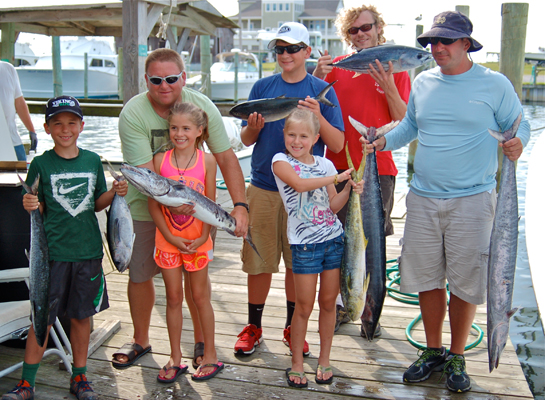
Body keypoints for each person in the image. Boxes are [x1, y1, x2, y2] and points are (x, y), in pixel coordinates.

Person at [362, 11, 530, 393]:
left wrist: (519, 142)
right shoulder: (424, 83)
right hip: (421, 198)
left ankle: (457, 354)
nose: (436, 48)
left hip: (474, 200)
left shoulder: (495, 84)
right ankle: (433, 350)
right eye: (432, 43)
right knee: (426, 278)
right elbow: (411, 127)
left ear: (466, 44)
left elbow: (522, 123)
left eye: (445, 41)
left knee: (466, 282)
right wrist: (382, 141)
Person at [113, 49, 248, 370]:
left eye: (172, 78)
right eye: (156, 80)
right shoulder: (133, 114)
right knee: (141, 275)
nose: (164, 85)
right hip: (148, 211)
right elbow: (149, 181)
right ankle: (141, 339)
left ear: (184, 77)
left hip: (197, 213)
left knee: (196, 284)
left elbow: (226, 158)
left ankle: (201, 344)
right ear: (146, 80)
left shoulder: (202, 109)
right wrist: (170, 231)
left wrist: (240, 206)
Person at [2, 95, 128, 400]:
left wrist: (114, 194)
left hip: (88, 254)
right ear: (46, 128)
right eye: (57, 123)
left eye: (71, 122)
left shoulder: (93, 160)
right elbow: (38, 207)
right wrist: (30, 203)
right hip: (51, 257)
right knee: (41, 317)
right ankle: (27, 383)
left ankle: (80, 376)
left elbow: (95, 204)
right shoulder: (41, 164)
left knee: (82, 317)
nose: (65, 128)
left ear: (82, 126)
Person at [234, 22, 344, 356]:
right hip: (265, 187)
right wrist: (252, 128)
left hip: (307, 195)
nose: (285, 54)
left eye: (293, 48)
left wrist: (317, 115)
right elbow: (245, 139)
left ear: (307, 52)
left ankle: (290, 326)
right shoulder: (262, 87)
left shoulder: (321, 89)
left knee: (298, 265)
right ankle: (254, 325)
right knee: (259, 260)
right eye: (279, 49)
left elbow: (337, 143)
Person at [313, 4, 411, 337]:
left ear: (378, 28)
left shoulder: (397, 67)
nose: (361, 34)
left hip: (378, 167)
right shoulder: (337, 68)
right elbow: (309, 108)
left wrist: (390, 85)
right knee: (340, 240)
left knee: (372, 245)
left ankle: (371, 312)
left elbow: (405, 119)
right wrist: (317, 75)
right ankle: (345, 306)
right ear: (346, 36)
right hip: (338, 168)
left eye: (366, 27)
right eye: (353, 31)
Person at [272, 109, 363, 388]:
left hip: (333, 241)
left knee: (328, 304)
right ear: (284, 135)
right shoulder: (280, 161)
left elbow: (333, 206)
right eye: (291, 135)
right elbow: (299, 186)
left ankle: (325, 360)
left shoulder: (326, 165)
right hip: (304, 245)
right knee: (303, 306)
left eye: (303, 136)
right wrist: (334, 179)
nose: (296, 141)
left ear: (315, 138)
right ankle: (297, 364)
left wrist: (349, 188)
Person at [148, 102, 223, 382]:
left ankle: (212, 354)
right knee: (173, 298)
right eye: (174, 128)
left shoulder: (208, 161)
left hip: (197, 242)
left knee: (201, 297)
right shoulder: (160, 161)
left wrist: (204, 236)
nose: (179, 133)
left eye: (186, 128)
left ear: (199, 131)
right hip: (168, 241)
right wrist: (169, 236)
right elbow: (153, 205)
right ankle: (175, 357)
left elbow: (211, 205)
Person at [0, 60, 37, 161]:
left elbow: (19, 102)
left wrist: (32, 130)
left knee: (23, 173)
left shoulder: (8, 69)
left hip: (13, 141)